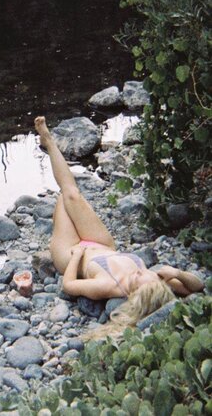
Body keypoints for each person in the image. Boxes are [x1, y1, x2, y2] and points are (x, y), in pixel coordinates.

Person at [34, 116, 204, 333]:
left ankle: (49, 143)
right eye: (143, 273)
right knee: (72, 195)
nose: (140, 272)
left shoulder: (108, 286)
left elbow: (69, 285)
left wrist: (76, 256)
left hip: (70, 254)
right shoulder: (155, 281)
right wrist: (178, 274)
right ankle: (49, 142)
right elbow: (197, 287)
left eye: (137, 279)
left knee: (64, 197)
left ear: (135, 295)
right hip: (102, 244)